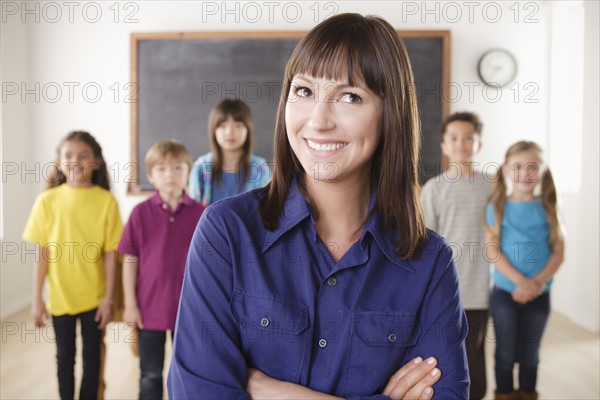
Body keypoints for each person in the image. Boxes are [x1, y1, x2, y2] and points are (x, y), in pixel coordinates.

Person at [169, 13, 469, 399]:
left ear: (390, 114)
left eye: (350, 97)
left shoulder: (429, 261)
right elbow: (199, 392)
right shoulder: (226, 231)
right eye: (304, 91)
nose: (318, 120)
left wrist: (264, 388)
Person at [23, 131, 123, 400]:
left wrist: (108, 299)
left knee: (93, 359)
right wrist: (36, 299)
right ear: (58, 161)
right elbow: (42, 253)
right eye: (68, 155)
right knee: (64, 358)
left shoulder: (106, 202)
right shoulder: (47, 201)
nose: (75, 161)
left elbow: (111, 255)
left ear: (97, 161)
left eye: (83, 155)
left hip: (95, 300)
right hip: (60, 299)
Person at [118, 140, 205, 399]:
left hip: (188, 312)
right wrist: (130, 305)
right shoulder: (139, 214)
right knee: (151, 374)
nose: (170, 175)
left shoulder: (202, 214)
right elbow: (129, 260)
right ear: (150, 175)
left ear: (188, 172)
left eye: (177, 168)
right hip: (149, 310)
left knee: (187, 375)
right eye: (162, 169)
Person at [484, 141, 565, 400]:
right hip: (505, 295)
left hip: (539, 296)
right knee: (505, 354)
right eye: (518, 166)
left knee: (530, 355)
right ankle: (504, 394)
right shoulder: (496, 206)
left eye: (533, 167)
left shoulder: (550, 207)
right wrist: (521, 282)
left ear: (542, 170)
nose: (526, 173)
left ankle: (529, 394)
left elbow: (559, 252)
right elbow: (493, 251)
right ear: (507, 169)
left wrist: (536, 284)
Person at [420, 111, 492, 399]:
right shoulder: (434, 189)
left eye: (469, 138)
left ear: (479, 144)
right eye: (454, 138)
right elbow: (426, 243)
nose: (461, 143)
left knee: (475, 352)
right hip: (447, 289)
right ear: (443, 145)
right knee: (447, 355)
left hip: (480, 288)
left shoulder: (493, 185)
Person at [189, 98, 271, 205]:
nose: (229, 132)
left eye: (237, 125)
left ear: (248, 130)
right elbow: (193, 212)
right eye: (223, 126)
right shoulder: (200, 168)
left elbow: (268, 210)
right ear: (213, 130)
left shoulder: (260, 168)